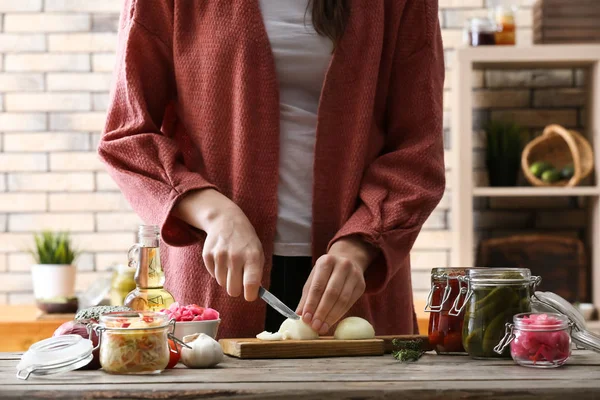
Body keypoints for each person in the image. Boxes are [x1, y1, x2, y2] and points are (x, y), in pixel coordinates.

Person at [98, 0, 445, 338]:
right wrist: (213, 213)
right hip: (220, 281)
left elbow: (418, 150)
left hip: (356, 279)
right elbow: (128, 136)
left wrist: (359, 247)